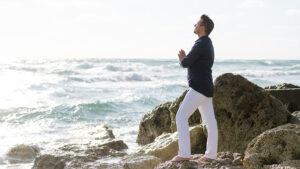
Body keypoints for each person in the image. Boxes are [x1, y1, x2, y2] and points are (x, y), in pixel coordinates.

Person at [170, 14, 218, 163]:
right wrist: (185, 59)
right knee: (210, 122)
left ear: (202, 27)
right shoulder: (207, 43)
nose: (194, 26)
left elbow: (186, 63)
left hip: (199, 88)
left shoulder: (201, 43)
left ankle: (184, 154)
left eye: (196, 24)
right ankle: (210, 155)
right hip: (206, 87)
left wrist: (182, 59)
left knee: (181, 116)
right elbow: (192, 62)